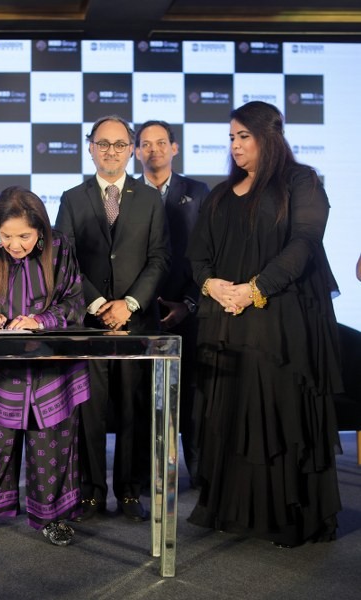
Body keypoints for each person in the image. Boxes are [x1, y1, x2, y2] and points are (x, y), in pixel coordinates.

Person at [186, 100, 343, 548]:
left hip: (280, 324)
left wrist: (255, 289)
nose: (235, 146)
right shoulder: (220, 194)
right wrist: (212, 285)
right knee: (232, 414)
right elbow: (197, 256)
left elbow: (304, 243)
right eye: (231, 138)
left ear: (269, 137)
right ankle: (235, 512)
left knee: (277, 414)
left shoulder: (301, 181)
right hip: (226, 323)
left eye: (244, 136)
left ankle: (286, 518)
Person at [0, 186, 90, 546]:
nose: (14, 245)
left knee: (52, 444)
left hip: (52, 369)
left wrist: (41, 320)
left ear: (40, 230)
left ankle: (52, 516)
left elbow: (75, 303)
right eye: (6, 236)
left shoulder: (60, 249)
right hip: (6, 370)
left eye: (24, 236)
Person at [55, 115, 171, 522]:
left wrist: (130, 304)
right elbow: (63, 260)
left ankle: (128, 491)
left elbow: (159, 258)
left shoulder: (150, 199)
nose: (111, 151)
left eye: (120, 144)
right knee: (89, 411)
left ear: (131, 150)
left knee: (133, 409)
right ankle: (90, 492)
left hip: (137, 323)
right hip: (90, 324)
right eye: (102, 144)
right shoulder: (72, 198)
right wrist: (101, 303)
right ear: (90, 148)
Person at [135, 120, 210, 487]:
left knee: (194, 397)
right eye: (146, 144)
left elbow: (209, 254)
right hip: (141, 312)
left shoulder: (199, 192)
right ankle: (147, 479)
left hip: (190, 310)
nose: (154, 150)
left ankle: (202, 477)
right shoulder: (127, 193)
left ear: (175, 147)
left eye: (161, 142)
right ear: (137, 151)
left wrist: (189, 303)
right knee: (145, 398)